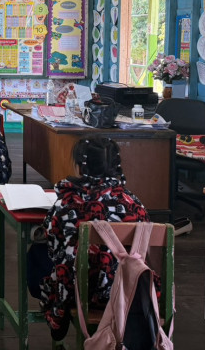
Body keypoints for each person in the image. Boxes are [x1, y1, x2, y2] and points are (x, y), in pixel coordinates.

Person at [32, 137, 152, 341]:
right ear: (116, 166)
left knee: (37, 253)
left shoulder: (67, 204)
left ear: (80, 167)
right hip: (129, 290)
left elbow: (53, 245)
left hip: (80, 293)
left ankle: (57, 312)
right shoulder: (134, 205)